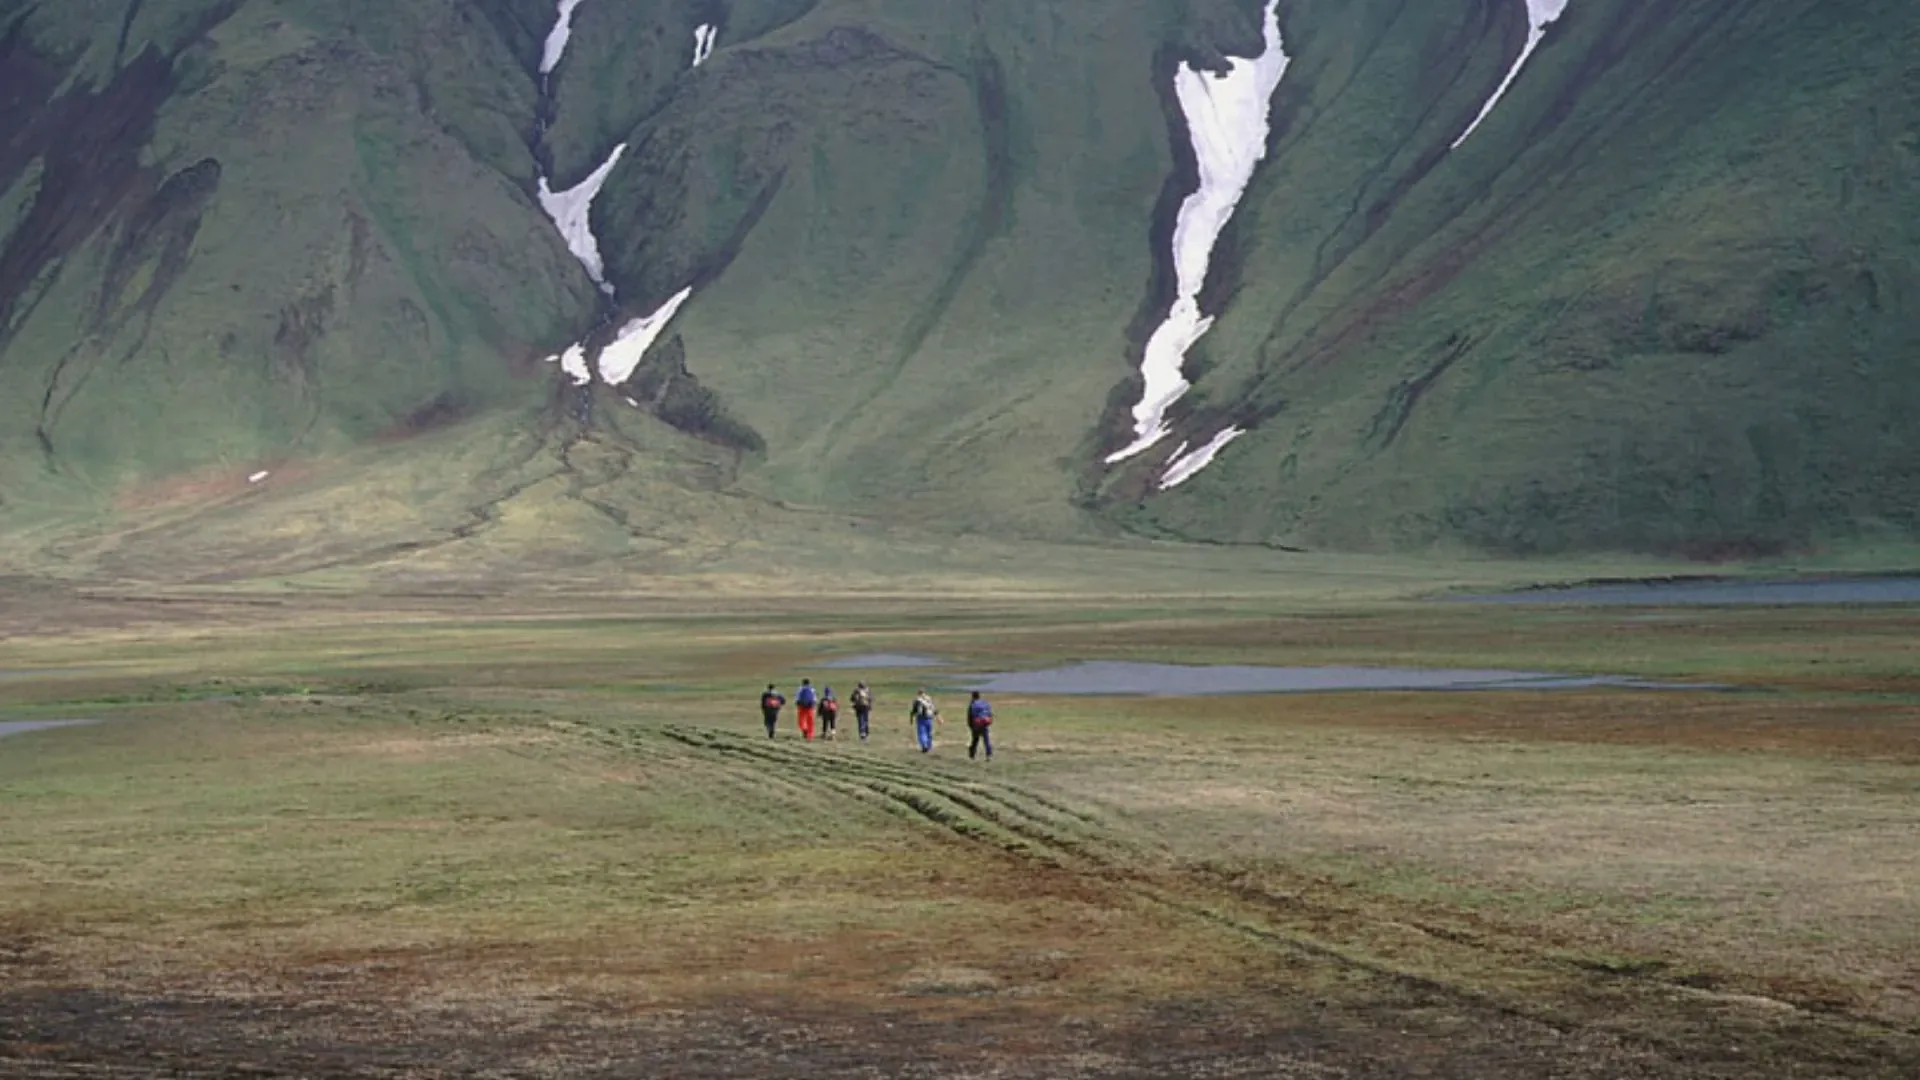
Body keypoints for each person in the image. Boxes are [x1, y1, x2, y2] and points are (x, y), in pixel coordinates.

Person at [965, 690, 994, 761]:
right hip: (984, 724)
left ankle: (972, 755)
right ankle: (989, 755)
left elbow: (970, 716)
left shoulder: (972, 704)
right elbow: (989, 713)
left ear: (973, 696)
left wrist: (970, 726)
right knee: (986, 740)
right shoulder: (984, 703)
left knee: (975, 740)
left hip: (976, 725)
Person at [909, 688, 938, 753]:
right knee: (929, 733)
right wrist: (938, 718)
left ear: (918, 693)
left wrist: (911, 718)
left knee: (922, 733)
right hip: (929, 718)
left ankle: (924, 746)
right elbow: (933, 709)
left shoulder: (917, 701)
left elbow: (914, 711)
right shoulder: (928, 699)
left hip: (921, 719)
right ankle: (929, 746)